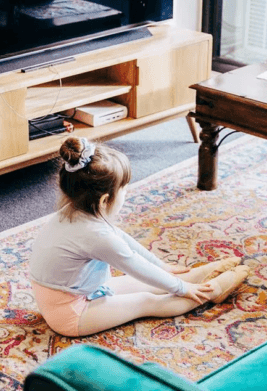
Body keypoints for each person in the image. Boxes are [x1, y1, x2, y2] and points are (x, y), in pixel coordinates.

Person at [29, 136, 250, 337]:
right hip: (70, 313)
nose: (126, 192)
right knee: (146, 301)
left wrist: (162, 266)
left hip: (73, 292)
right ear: (105, 200)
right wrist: (184, 290)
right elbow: (135, 265)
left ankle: (197, 276)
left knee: (151, 282)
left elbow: (123, 240)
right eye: (124, 188)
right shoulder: (95, 235)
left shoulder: (75, 212)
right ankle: (210, 292)